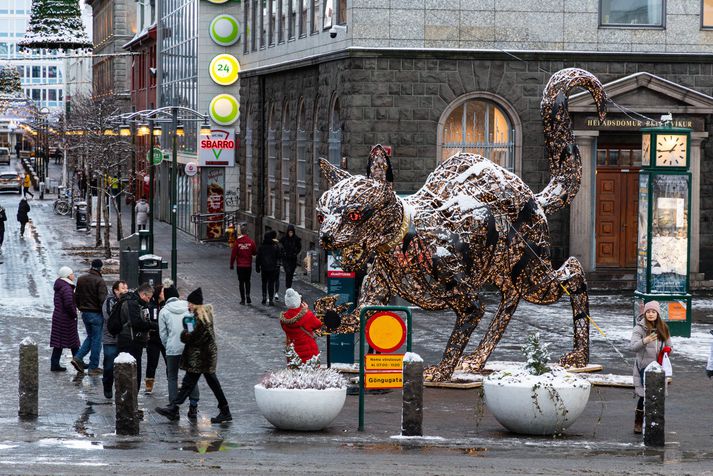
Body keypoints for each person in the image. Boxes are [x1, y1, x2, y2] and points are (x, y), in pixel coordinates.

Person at [155, 288, 232, 424]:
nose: (188, 305)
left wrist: (186, 333)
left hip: (202, 357)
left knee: (191, 384)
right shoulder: (197, 316)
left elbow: (192, 337)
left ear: (195, 304)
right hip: (202, 357)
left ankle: (174, 408)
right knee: (200, 384)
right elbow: (192, 335)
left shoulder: (201, 318)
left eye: (190, 303)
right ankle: (224, 411)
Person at [158, 283, 200, 419]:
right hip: (188, 347)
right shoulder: (188, 308)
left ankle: (173, 407)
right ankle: (193, 406)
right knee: (191, 376)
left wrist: (168, 345)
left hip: (172, 349)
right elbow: (191, 329)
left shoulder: (163, 311)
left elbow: (163, 334)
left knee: (172, 377)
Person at [630, 300, 672, 434]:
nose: (651, 314)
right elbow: (633, 347)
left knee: (657, 396)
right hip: (643, 368)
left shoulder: (663, 327)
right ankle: (638, 422)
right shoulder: (639, 328)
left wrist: (667, 350)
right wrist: (645, 340)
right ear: (645, 313)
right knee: (644, 396)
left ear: (658, 314)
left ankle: (654, 422)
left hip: (658, 368)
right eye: (648, 311)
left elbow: (670, 345)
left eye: (654, 312)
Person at [116, 282, 156, 392]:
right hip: (130, 341)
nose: (149, 300)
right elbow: (136, 323)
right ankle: (131, 399)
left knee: (134, 371)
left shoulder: (135, 302)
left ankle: (132, 398)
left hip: (132, 341)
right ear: (143, 294)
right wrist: (152, 325)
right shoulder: (132, 303)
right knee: (132, 372)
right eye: (148, 298)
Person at [72, 259, 108, 376]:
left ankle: (78, 357)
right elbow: (103, 300)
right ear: (100, 268)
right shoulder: (100, 281)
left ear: (91, 266)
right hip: (96, 314)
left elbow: (76, 296)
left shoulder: (81, 279)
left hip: (85, 313)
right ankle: (93, 367)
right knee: (96, 340)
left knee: (91, 337)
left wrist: (80, 307)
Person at [49, 267, 80, 371]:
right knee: (73, 341)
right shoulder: (67, 288)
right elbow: (68, 304)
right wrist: (74, 314)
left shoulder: (61, 285)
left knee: (59, 342)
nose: (73, 275)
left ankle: (55, 364)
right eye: (71, 274)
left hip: (59, 316)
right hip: (66, 318)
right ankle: (79, 361)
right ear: (67, 275)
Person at [101, 280, 128, 398]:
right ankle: (107, 385)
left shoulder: (128, 301)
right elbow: (108, 317)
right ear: (116, 290)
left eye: (126, 288)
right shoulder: (109, 301)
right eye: (123, 288)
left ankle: (121, 389)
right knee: (109, 365)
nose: (125, 290)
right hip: (110, 339)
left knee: (123, 367)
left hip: (123, 339)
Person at [280, 288, 323, 363]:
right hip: (309, 352)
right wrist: (306, 310)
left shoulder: (284, 319)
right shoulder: (307, 315)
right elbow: (318, 324)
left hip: (293, 353)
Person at [144, 279, 169, 394]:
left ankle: (171, 382)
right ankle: (149, 385)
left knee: (169, 362)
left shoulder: (168, 306)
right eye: (163, 292)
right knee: (152, 363)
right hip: (153, 338)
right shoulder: (150, 305)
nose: (165, 294)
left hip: (166, 339)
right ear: (158, 293)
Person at [229, 223, 256, 305]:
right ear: (247, 233)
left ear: (241, 233)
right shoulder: (251, 242)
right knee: (248, 281)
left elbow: (233, 254)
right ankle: (248, 296)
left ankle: (243, 299)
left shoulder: (237, 242)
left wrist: (231, 264)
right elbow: (254, 252)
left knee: (241, 282)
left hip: (240, 265)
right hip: (248, 265)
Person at [256, 230, 280, 306]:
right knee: (271, 284)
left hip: (264, 268)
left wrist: (257, 266)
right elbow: (278, 257)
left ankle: (264, 297)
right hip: (272, 268)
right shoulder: (274, 246)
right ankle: (270, 299)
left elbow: (258, 257)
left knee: (264, 283)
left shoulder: (262, 247)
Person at [280, 224, 302, 290]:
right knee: (288, 272)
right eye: (289, 232)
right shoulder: (284, 238)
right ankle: (288, 286)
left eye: (291, 232)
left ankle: (289, 285)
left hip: (293, 258)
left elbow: (299, 247)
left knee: (291, 273)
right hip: (286, 258)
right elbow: (280, 245)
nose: (290, 234)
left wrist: (295, 252)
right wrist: (283, 252)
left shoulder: (296, 239)